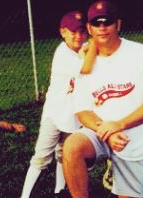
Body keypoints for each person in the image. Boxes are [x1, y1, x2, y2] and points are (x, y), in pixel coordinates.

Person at [62, 1, 143, 198]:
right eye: (96, 23)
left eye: (107, 22)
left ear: (118, 24)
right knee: (71, 147)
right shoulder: (85, 64)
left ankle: (118, 168)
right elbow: (82, 110)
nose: (102, 28)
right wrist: (107, 131)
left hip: (132, 137)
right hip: (100, 131)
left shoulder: (141, 54)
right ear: (89, 28)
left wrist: (119, 125)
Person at [21, 11, 96, 198]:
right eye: (73, 32)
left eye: (82, 32)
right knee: (41, 157)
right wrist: (92, 46)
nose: (78, 36)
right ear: (63, 32)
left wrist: (90, 46)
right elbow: (86, 67)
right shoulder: (62, 53)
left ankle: (59, 191)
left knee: (64, 154)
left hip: (74, 114)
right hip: (55, 114)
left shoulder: (82, 48)